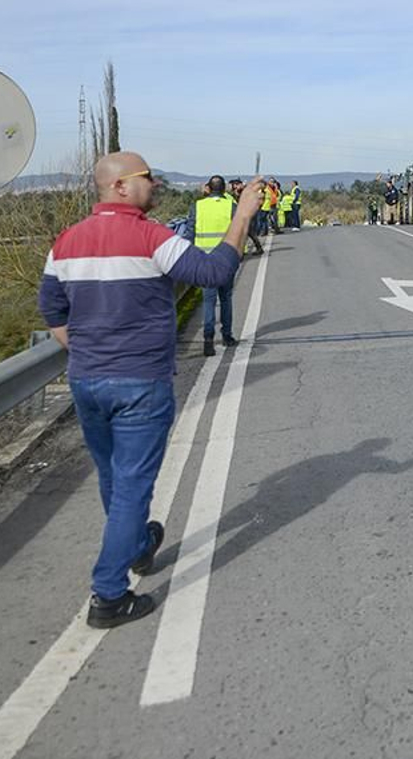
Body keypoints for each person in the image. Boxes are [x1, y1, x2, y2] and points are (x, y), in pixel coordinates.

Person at [38, 152, 263, 629]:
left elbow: (54, 314)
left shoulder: (66, 243)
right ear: (119, 186)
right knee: (132, 489)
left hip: (86, 382)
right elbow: (214, 273)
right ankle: (109, 594)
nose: (155, 184)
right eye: (146, 178)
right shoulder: (150, 236)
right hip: (139, 382)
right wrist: (243, 214)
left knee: (114, 478)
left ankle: (139, 546)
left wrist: (91, 353)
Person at [186, 175, 239, 356]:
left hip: (204, 260)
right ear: (224, 189)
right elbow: (239, 231)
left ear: (208, 188)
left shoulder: (198, 206)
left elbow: (190, 233)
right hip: (226, 260)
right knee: (226, 299)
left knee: (209, 301)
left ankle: (208, 339)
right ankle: (227, 336)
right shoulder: (231, 206)